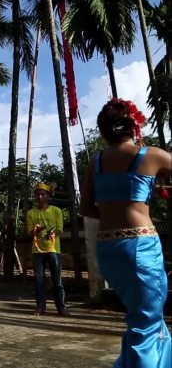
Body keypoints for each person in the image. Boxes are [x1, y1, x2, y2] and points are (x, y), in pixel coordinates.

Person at [81, 98, 171, 367]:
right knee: (146, 322)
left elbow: (86, 207)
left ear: (104, 130)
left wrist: (115, 213)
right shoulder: (151, 155)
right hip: (140, 246)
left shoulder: (95, 162)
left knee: (142, 317)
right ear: (134, 125)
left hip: (108, 248)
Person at [26, 182, 68, 316]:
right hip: (37, 251)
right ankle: (40, 306)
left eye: (42, 194)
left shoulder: (56, 210)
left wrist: (53, 233)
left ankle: (61, 307)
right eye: (37, 194)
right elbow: (29, 232)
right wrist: (36, 230)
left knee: (57, 279)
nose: (39, 197)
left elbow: (59, 228)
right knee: (39, 280)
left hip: (53, 249)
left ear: (48, 196)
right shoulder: (30, 213)